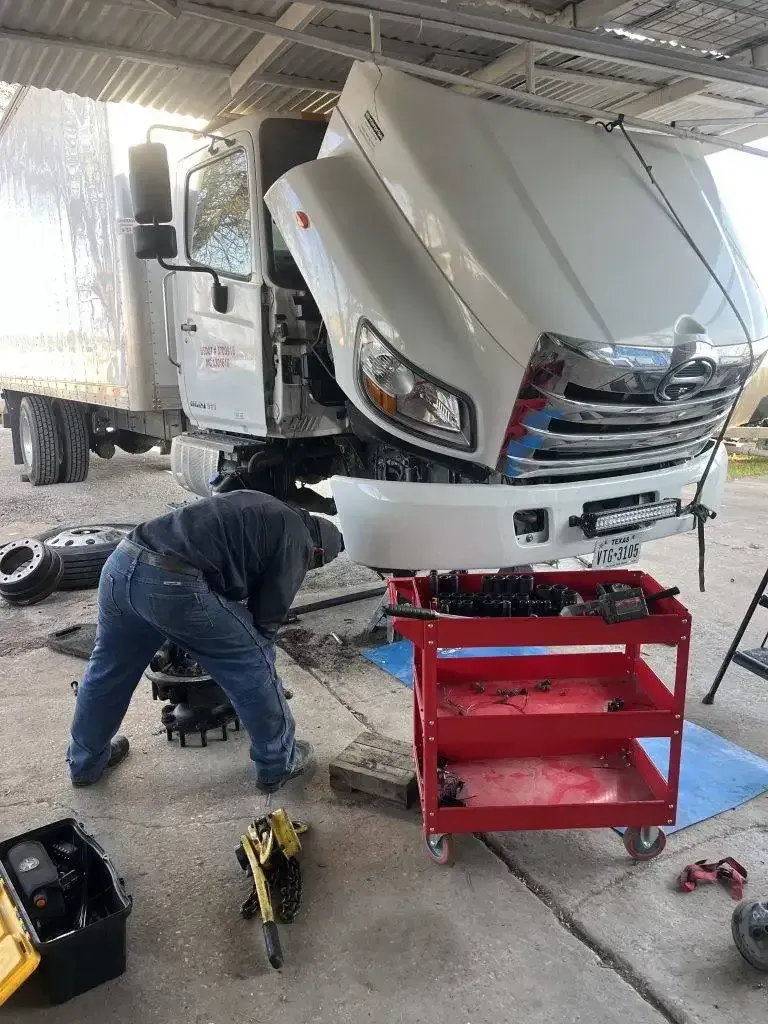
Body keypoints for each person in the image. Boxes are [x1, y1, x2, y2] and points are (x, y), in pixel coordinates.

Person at [67, 491, 343, 792]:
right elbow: (266, 619)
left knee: (108, 669)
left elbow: (226, 557)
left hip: (121, 564)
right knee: (253, 660)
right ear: (316, 549)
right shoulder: (299, 539)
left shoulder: (268, 508)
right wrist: (244, 646)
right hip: (169, 581)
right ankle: (279, 762)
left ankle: (85, 762)